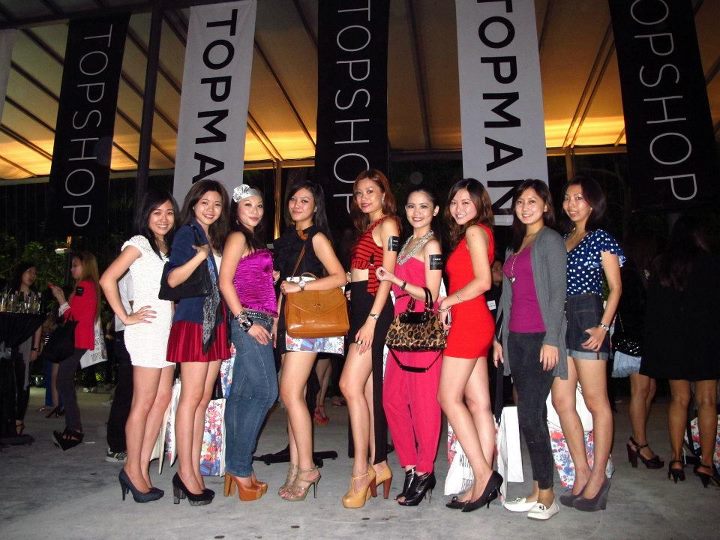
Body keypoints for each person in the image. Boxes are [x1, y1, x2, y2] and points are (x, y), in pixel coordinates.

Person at [493, 180, 567, 520]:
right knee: (530, 414)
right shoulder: (516, 245)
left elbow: (558, 293)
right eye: (520, 202)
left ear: (546, 206)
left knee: (530, 414)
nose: (525, 207)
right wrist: (499, 337)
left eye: (532, 201)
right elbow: (507, 299)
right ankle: (538, 489)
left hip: (540, 338)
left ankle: (548, 495)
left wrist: (551, 338)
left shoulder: (550, 240)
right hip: (517, 339)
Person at [99, 189, 179, 503]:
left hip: (167, 330)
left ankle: (141, 467)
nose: (164, 218)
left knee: (162, 400)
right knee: (143, 402)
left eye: (169, 212)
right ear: (146, 215)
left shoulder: (168, 248)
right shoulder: (139, 243)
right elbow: (108, 279)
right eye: (157, 212)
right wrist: (125, 316)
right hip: (146, 330)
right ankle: (132, 469)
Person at [552, 175, 623, 512]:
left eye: (579, 198)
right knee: (561, 400)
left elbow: (616, 287)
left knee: (596, 402)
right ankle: (581, 471)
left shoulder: (600, 237)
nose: (571, 204)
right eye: (567, 198)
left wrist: (604, 327)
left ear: (593, 202)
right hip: (562, 318)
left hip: (588, 314)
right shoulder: (563, 238)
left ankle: (598, 476)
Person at [274, 181, 347, 501]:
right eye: (293, 199)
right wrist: (276, 319)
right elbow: (282, 286)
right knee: (296, 397)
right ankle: (295, 466)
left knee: (290, 393)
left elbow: (340, 276)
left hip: (308, 323)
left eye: (305, 200)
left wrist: (301, 287)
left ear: (316, 206)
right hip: (288, 322)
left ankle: (307, 468)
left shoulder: (316, 237)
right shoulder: (286, 240)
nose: (297, 204)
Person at [375, 187, 443, 506]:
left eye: (424, 206)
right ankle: (411, 466)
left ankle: (426, 470)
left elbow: (431, 295)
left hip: (422, 332)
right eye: (412, 206)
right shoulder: (405, 244)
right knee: (392, 400)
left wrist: (396, 281)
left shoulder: (432, 246)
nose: (417, 212)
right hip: (401, 329)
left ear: (435, 211)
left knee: (424, 405)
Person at [640, 215, 720, 487]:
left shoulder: (663, 265)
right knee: (707, 401)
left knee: (679, 399)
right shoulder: (712, 262)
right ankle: (706, 464)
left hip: (674, 341)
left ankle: (676, 459)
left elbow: (655, 310)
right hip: (706, 340)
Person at [438, 178, 502, 512]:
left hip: (469, 320)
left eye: (466, 202)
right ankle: (482, 482)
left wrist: (448, 301)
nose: (458, 208)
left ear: (479, 205)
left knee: (447, 397)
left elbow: (483, 281)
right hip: (474, 320)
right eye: (454, 202)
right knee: (479, 404)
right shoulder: (476, 233)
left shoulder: (475, 232)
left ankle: (483, 474)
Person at [165, 179, 231, 506]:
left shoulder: (213, 237)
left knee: (203, 399)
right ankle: (185, 472)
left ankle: (192, 469)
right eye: (205, 202)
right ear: (193, 204)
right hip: (193, 322)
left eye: (217, 204)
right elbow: (172, 279)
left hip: (215, 323)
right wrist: (199, 257)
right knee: (191, 399)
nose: (210, 209)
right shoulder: (186, 234)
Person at [339, 169, 400, 508]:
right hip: (362, 304)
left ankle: (360, 471)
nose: (363, 198)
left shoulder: (388, 225)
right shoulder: (370, 227)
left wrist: (373, 320)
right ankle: (379, 464)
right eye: (359, 193)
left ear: (383, 194)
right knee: (366, 391)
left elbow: (387, 277)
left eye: (370, 191)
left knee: (349, 385)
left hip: (374, 311)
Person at [218, 184, 278, 502]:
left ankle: (235, 466)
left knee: (241, 396)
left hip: (260, 319)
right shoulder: (238, 237)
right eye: (247, 205)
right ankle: (241, 466)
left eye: (259, 205)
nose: (255, 211)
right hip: (250, 320)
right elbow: (224, 281)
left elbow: (248, 278)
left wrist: (270, 277)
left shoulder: (252, 239)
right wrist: (245, 323)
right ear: (236, 210)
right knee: (267, 393)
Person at [615, 231, 663, 470]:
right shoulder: (629, 272)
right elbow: (631, 308)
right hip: (634, 339)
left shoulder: (643, 271)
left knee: (649, 389)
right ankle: (639, 442)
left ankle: (637, 439)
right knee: (641, 389)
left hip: (645, 339)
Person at [49, 251, 100, 451]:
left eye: (75, 265)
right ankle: (73, 428)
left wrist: (61, 299)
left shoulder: (84, 286)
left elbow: (72, 316)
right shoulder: (88, 286)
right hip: (79, 339)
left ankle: (74, 429)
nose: (72, 269)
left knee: (63, 382)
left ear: (85, 266)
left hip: (76, 340)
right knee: (64, 381)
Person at [9, 262, 42, 436]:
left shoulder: (34, 297)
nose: (32, 275)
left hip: (26, 343)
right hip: (7, 342)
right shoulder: (10, 293)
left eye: (34, 273)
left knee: (23, 381)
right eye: (29, 271)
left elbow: (37, 325)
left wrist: (35, 347)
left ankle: (18, 420)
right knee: (8, 380)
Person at [104, 272, 133, 463]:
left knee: (131, 393)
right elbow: (135, 304)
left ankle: (123, 443)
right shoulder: (132, 271)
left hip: (130, 332)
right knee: (127, 392)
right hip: (131, 333)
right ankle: (116, 445)